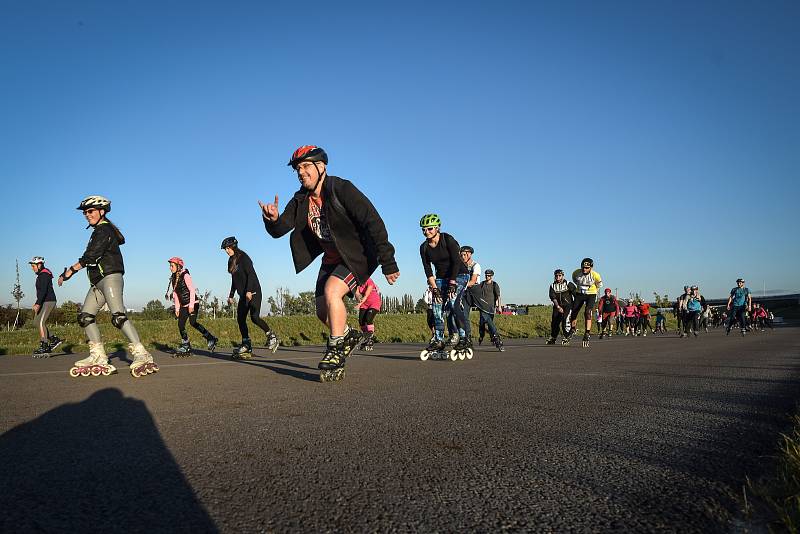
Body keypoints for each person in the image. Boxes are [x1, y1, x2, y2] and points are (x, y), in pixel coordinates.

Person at [260, 146, 399, 380]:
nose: (301, 172)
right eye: (297, 169)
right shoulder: (301, 199)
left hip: (358, 255)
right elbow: (281, 227)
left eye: (305, 166)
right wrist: (272, 220)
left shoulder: (341, 188)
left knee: (332, 291)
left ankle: (335, 348)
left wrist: (388, 260)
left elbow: (373, 221)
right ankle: (347, 335)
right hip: (331, 260)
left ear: (321, 166)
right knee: (322, 311)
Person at [58, 195, 156, 378]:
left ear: (101, 212)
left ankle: (142, 353)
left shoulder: (104, 230)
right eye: (85, 213)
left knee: (118, 316)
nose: (87, 215)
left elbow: (91, 256)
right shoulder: (99, 231)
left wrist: (70, 271)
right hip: (98, 282)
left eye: (90, 211)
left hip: (110, 277)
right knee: (85, 317)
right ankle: (98, 356)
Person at [417, 213, 471, 358]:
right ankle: (438, 340)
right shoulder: (424, 248)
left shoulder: (448, 239)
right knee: (436, 307)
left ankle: (464, 338)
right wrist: (435, 288)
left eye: (429, 229)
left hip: (459, 274)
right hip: (441, 278)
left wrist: (453, 282)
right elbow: (427, 269)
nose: (426, 232)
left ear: (437, 228)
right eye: (424, 229)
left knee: (453, 304)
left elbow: (456, 262)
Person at [221, 237, 279, 358]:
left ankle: (271, 336)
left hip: (254, 292)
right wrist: (231, 295)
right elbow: (234, 279)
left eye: (228, 248)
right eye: (225, 249)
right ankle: (246, 344)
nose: (227, 251)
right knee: (240, 318)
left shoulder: (243, 257)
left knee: (254, 317)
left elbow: (251, 274)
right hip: (243, 295)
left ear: (234, 246)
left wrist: (249, 291)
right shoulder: (231, 261)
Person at [166, 257, 219, 356]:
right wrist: (177, 308)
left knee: (193, 322)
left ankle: (210, 338)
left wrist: (191, 306)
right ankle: (186, 344)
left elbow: (192, 290)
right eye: (170, 266)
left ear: (178, 266)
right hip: (183, 305)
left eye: (172, 266)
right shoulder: (174, 279)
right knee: (180, 324)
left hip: (193, 303)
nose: (170, 268)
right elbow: (176, 294)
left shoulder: (186, 276)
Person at [29, 256, 62, 357]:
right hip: (43, 301)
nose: (32, 268)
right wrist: (38, 302)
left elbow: (43, 291)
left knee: (41, 322)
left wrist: (38, 303)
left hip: (48, 301)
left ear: (39, 265)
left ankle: (44, 345)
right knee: (36, 322)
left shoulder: (44, 275)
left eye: (33, 266)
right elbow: (41, 293)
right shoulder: (41, 275)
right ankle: (53, 339)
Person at [570, 258, 603, 347]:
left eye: (587, 268)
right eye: (583, 267)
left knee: (587, 312)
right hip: (579, 293)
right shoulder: (576, 273)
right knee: (574, 310)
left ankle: (587, 333)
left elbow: (599, 285)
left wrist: (593, 291)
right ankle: (573, 328)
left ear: (591, 268)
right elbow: (574, 279)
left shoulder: (596, 275)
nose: (585, 269)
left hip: (591, 294)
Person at [474, 268, 503, 351]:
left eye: (489, 275)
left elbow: (498, 296)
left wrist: (499, 307)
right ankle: (489, 336)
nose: (487, 276)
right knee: (483, 323)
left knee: (490, 324)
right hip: (483, 307)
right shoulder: (482, 284)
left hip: (491, 308)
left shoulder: (494, 285)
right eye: (486, 275)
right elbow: (476, 291)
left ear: (492, 276)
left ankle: (492, 337)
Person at [547, 269, 574, 345]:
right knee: (554, 323)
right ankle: (553, 337)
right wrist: (558, 307)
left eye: (559, 276)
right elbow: (553, 297)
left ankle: (567, 336)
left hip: (568, 306)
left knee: (565, 321)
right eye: (556, 276)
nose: (558, 277)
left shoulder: (568, 284)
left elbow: (576, 294)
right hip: (557, 306)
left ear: (563, 276)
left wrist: (575, 305)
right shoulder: (552, 286)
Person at [355, 277, 381, 351]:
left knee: (368, 318)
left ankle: (370, 337)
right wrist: (358, 299)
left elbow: (366, 294)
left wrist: (360, 304)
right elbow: (357, 294)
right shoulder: (357, 284)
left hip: (374, 302)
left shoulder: (368, 280)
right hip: (364, 303)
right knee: (361, 321)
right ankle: (366, 337)